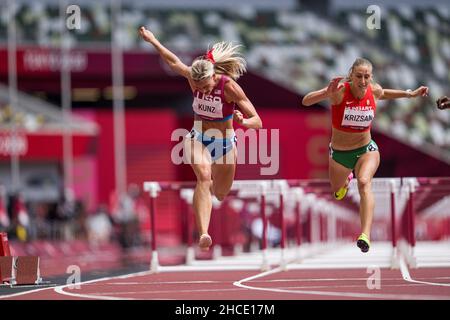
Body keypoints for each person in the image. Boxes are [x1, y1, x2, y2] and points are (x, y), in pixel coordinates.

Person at [139, 27, 262, 251]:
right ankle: (204, 233)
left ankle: (209, 192)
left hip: (225, 144)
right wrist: (153, 40)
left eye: (206, 86)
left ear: (214, 76)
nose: (202, 90)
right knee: (204, 178)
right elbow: (174, 61)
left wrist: (243, 122)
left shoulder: (230, 88)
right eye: (198, 87)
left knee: (221, 194)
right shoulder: (194, 79)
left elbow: (258, 121)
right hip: (199, 138)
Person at [301, 58, 428, 253]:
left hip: (366, 150)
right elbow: (306, 101)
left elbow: (384, 93)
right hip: (340, 154)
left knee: (364, 182)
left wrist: (409, 94)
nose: (362, 81)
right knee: (336, 192)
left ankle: (365, 235)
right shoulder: (341, 91)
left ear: (371, 77)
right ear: (351, 75)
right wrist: (326, 92)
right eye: (359, 76)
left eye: (366, 77)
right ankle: (345, 181)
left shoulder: (373, 90)